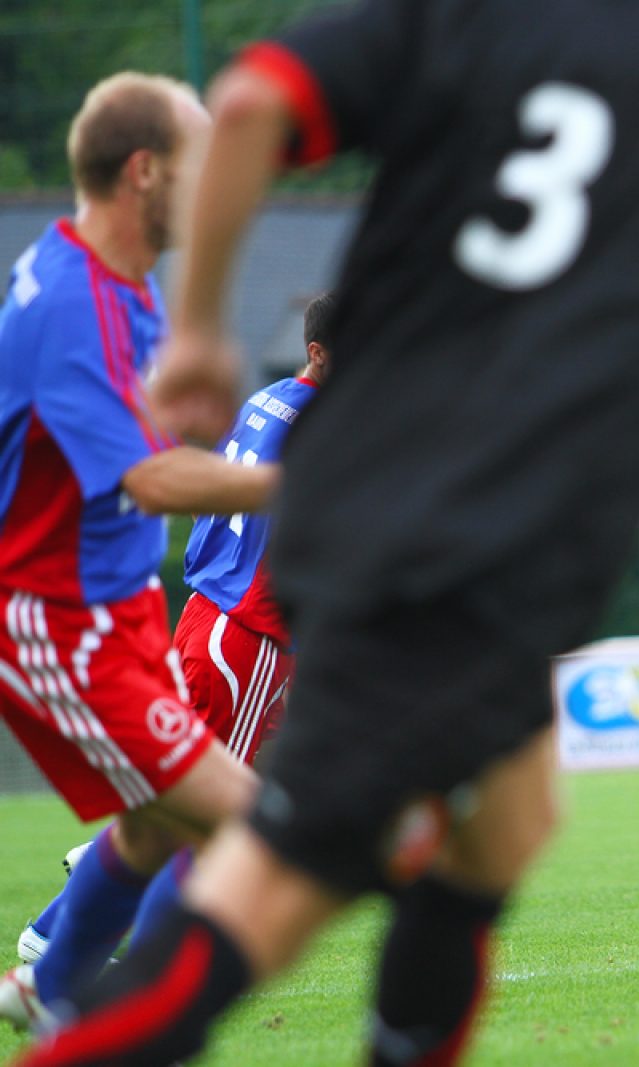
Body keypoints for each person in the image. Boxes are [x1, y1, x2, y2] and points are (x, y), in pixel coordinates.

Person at [11, 1, 639, 1063]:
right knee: (269, 881)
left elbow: (246, 104)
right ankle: (70, 1004)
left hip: (367, 501)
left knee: (506, 820)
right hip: (485, 530)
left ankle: (68, 970)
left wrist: (196, 330)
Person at [0, 73, 278, 1029]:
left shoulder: (120, 283)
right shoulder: (75, 300)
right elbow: (151, 479)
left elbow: (138, 442)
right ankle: (116, 1021)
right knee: (251, 821)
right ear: (145, 171)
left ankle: (49, 990)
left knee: (161, 823)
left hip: (119, 613)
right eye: (202, 161)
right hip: (58, 620)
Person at [14, 293, 333, 967]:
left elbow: (212, 493)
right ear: (318, 352)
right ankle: (88, 949)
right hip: (249, 638)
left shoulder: (268, 400)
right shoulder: (323, 428)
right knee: (212, 816)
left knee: (190, 793)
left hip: (205, 612)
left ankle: (67, 929)